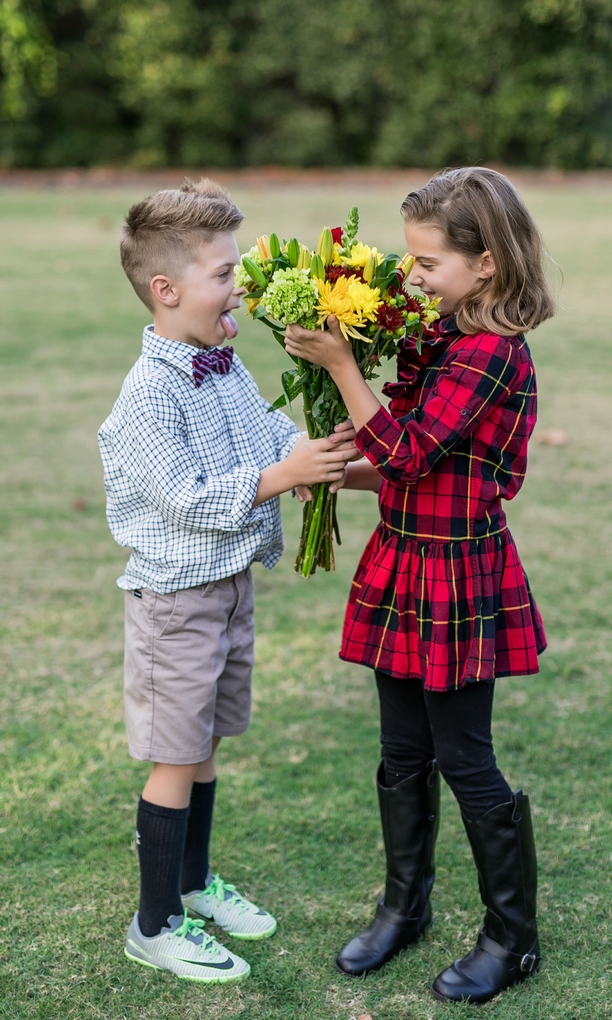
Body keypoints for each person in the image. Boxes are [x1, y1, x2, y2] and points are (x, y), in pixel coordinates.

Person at [284, 166, 555, 1004]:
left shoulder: (490, 355)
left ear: (488, 265)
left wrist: (340, 367)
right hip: (405, 559)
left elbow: (411, 452)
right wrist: (339, 473)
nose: (412, 279)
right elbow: (409, 468)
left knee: (464, 756)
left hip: (458, 574)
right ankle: (406, 906)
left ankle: (512, 938)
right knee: (402, 750)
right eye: (409, 262)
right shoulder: (441, 339)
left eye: (427, 264)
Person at [98, 178, 355, 984]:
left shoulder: (223, 363)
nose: (239, 286)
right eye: (224, 273)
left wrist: (316, 456)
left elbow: (267, 432)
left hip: (228, 589)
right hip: (176, 604)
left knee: (203, 746)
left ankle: (192, 883)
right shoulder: (148, 397)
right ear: (166, 290)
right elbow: (187, 498)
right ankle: (155, 924)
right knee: (174, 757)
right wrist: (283, 476)